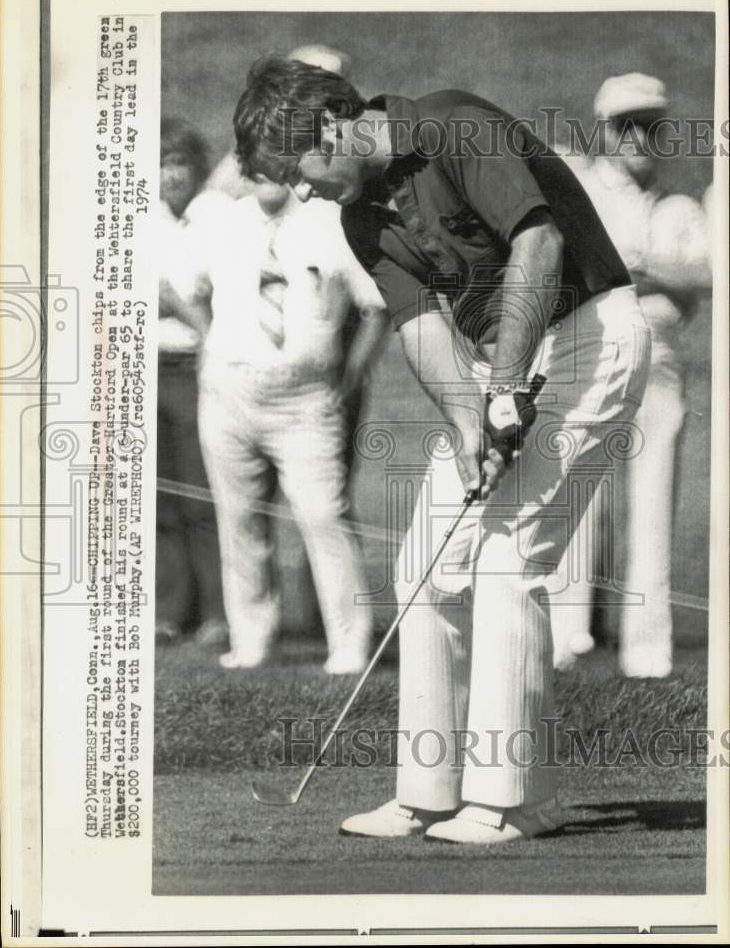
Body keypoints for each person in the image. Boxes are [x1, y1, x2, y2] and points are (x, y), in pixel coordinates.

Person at [232, 58, 651, 842]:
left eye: (297, 170)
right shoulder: (361, 218)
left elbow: (538, 245)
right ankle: (426, 794)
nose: (300, 190)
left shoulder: (453, 123)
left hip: (590, 334)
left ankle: (512, 800)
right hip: (508, 360)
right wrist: (468, 423)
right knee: (427, 559)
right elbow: (420, 327)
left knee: (508, 555)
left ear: (329, 125)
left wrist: (500, 387)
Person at [550, 74, 712, 677]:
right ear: (605, 129)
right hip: (590, 354)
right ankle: (565, 639)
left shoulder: (679, 205)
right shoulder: (578, 189)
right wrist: (644, 272)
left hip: (661, 363)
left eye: (652, 125)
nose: (641, 136)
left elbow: (707, 275)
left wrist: (643, 267)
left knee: (653, 507)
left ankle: (647, 652)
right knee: (575, 500)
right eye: (627, 125)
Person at [195, 172, 388, 673]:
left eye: (277, 159)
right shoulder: (220, 220)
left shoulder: (331, 223)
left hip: (306, 397)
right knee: (239, 519)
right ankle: (252, 642)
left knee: (324, 515)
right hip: (230, 390)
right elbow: (187, 286)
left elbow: (375, 307)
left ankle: (349, 647)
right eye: (253, 162)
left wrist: (350, 376)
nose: (266, 174)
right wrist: (208, 344)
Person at [153, 118, 228, 645]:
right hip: (147, 366)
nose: (170, 175)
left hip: (196, 367)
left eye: (179, 163)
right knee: (162, 499)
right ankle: (169, 610)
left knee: (203, 497)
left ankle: (218, 614)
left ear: (198, 168)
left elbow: (206, 297)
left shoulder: (218, 217)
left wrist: (177, 303)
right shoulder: (144, 218)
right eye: (160, 164)